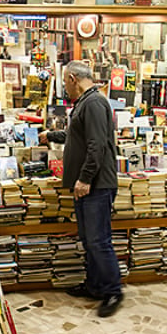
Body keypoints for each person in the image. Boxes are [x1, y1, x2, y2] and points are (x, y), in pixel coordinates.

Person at [39, 60, 123, 317]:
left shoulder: (95, 102)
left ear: (73, 78)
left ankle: (112, 291)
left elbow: (96, 145)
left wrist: (85, 178)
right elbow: (80, 136)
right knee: (89, 239)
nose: (65, 87)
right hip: (88, 185)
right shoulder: (87, 102)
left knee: (99, 240)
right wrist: (52, 136)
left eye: (65, 82)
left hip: (96, 185)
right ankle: (95, 285)